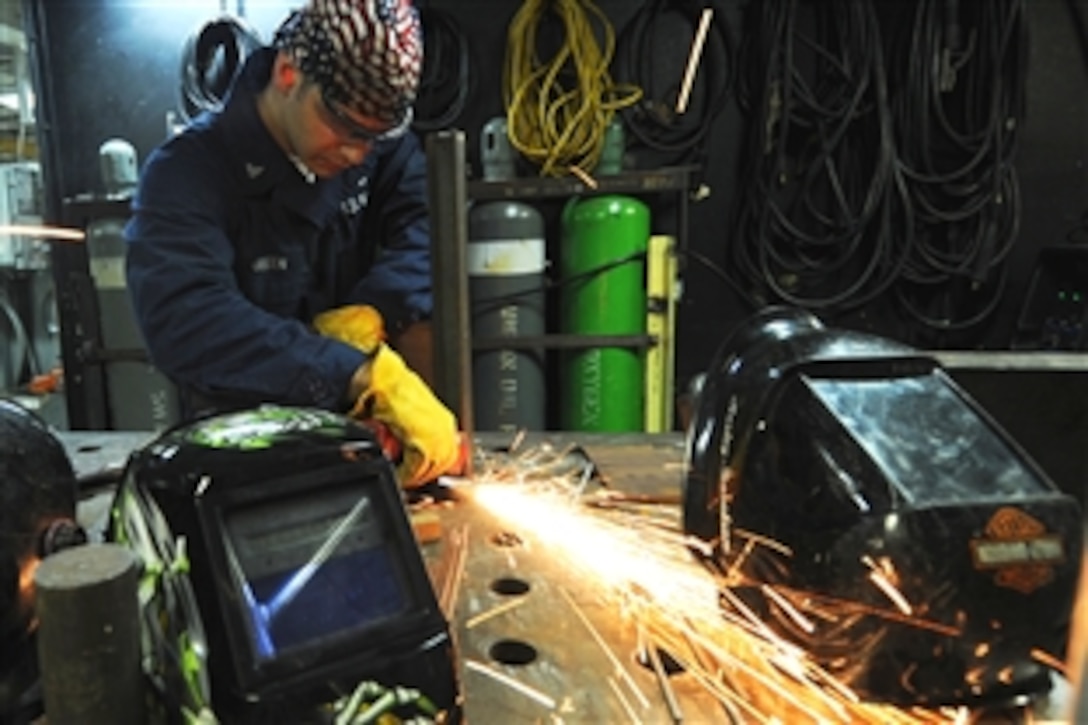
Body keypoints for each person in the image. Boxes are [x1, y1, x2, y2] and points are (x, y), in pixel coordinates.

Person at [124, 0, 461, 487]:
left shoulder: (371, 141)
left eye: (374, 137)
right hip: (241, 454)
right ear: (288, 73)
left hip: (359, 447)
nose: (357, 152)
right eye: (344, 128)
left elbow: (428, 224)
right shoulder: (187, 173)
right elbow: (185, 318)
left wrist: (378, 308)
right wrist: (353, 374)